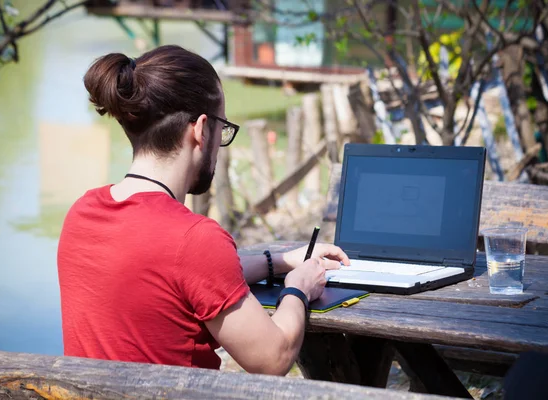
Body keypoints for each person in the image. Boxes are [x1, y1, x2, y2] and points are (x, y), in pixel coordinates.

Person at [57, 45, 350, 376]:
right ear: (200, 130)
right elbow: (273, 357)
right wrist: (298, 286)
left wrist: (277, 261)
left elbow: (173, 277)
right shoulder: (194, 238)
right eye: (223, 128)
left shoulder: (82, 213)